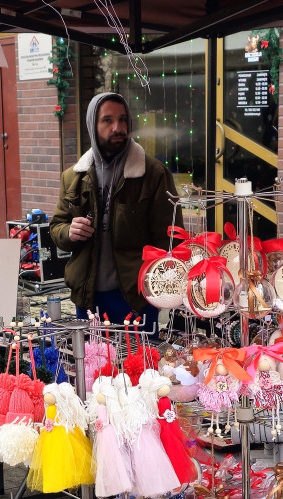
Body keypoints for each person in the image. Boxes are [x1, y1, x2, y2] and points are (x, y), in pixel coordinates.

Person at [50, 92, 177, 334]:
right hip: (87, 297)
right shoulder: (74, 177)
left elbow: (169, 237)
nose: (117, 127)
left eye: (123, 120)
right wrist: (69, 231)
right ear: (92, 125)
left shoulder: (153, 174)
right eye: (107, 120)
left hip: (136, 298)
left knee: (141, 367)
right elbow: (57, 227)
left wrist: (161, 292)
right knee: (92, 367)